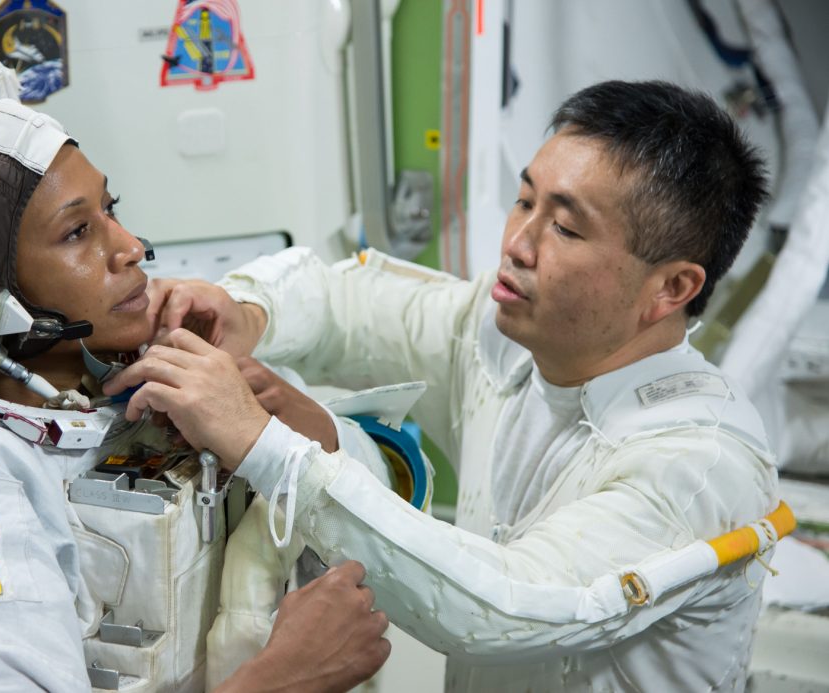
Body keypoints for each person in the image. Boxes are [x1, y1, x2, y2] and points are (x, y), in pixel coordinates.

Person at [109, 80, 782, 691]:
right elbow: (348, 299)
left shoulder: (698, 464)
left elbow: (504, 607)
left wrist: (266, 446)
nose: (518, 242)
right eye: (524, 200)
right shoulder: (508, 341)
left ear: (672, 287)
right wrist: (249, 312)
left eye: (567, 227)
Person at [0, 99, 393, 692]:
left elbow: (390, 509)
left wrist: (299, 428)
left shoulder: (136, 367)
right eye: (77, 234)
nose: (131, 248)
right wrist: (278, 680)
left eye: (110, 209)